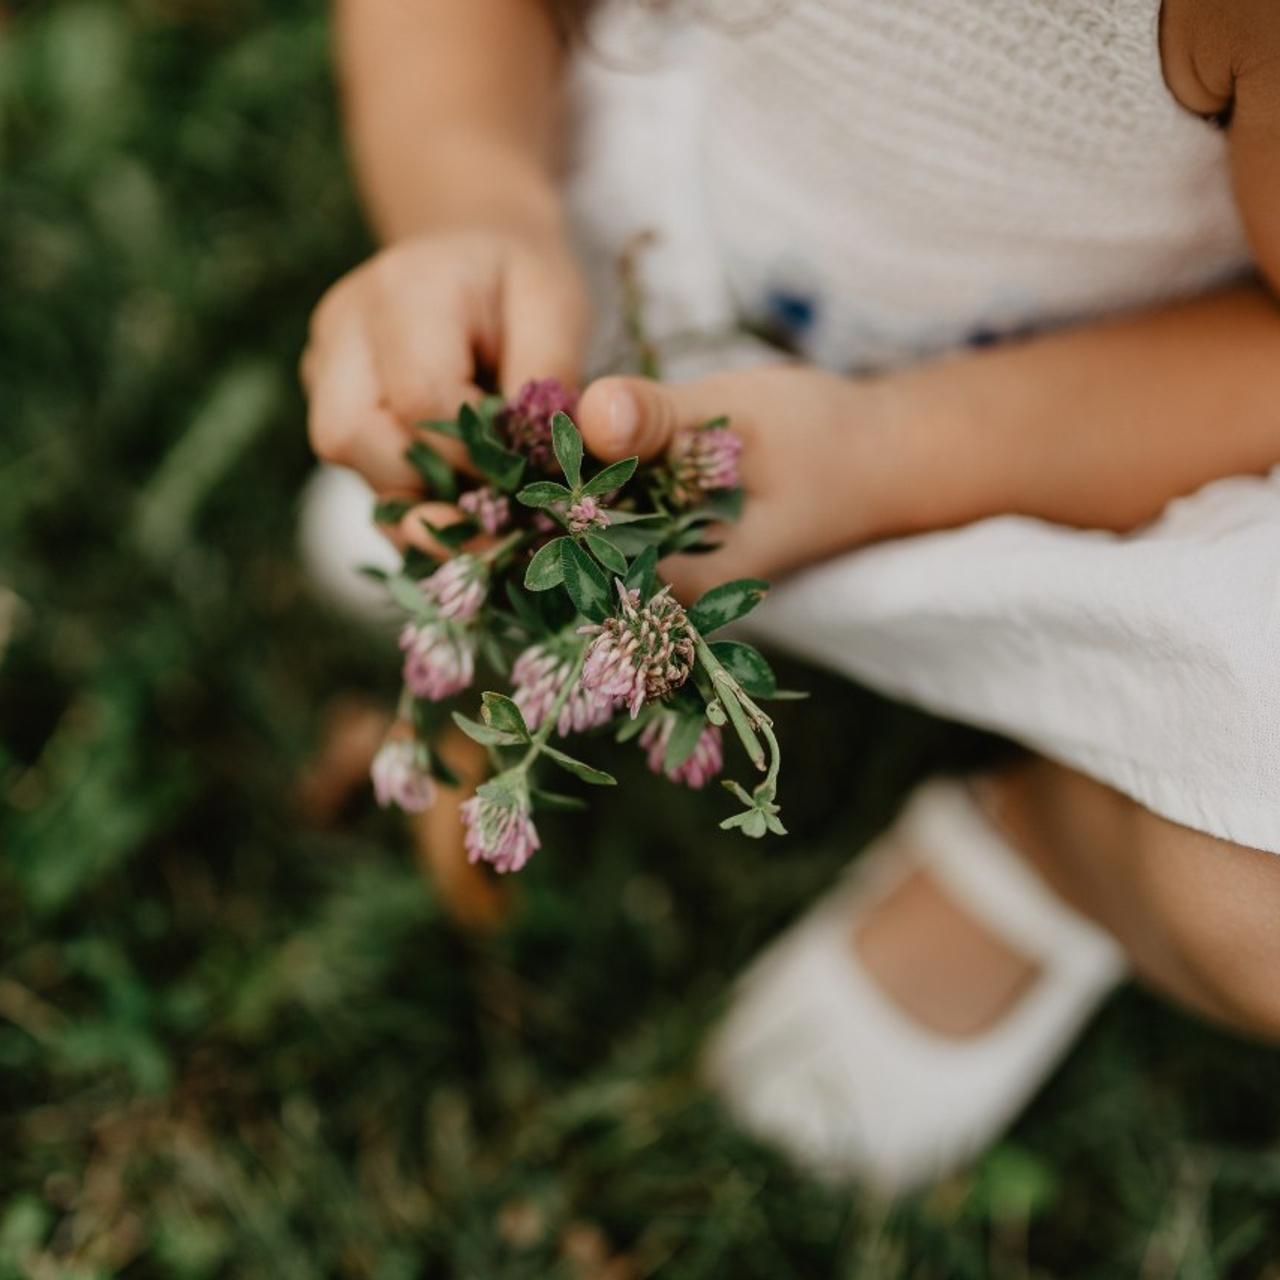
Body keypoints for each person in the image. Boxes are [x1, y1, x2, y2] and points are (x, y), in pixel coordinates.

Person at [300, 0, 1280, 1193]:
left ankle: (1060, 848)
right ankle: (516, 491)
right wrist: (473, 205)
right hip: (656, 236)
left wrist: (874, 456)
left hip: (1089, 431)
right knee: (522, 456)